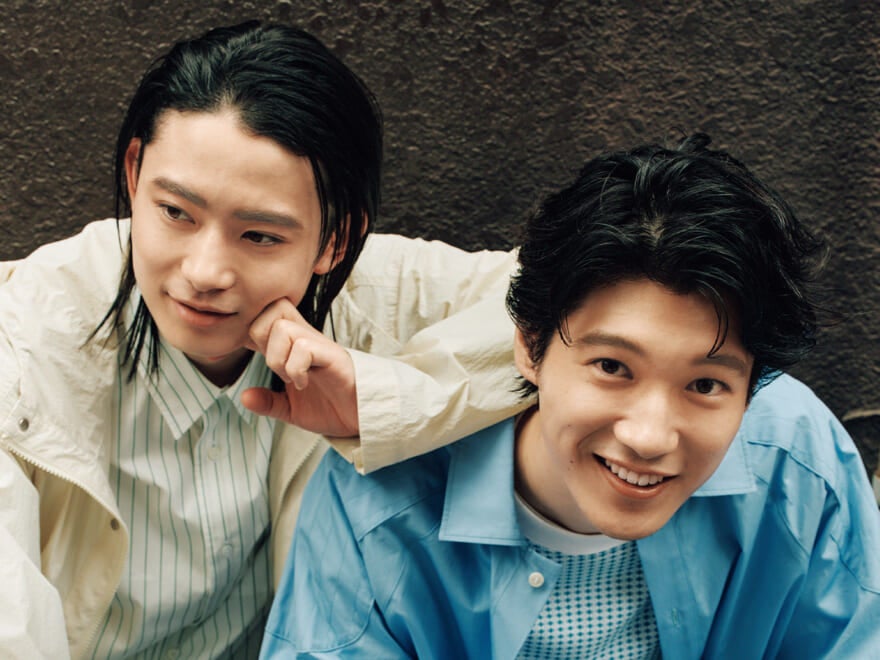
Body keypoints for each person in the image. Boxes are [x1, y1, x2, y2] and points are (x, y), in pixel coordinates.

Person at [0, 21, 526, 659]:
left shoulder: (371, 296)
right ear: (135, 175)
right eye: (176, 212)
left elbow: (571, 298)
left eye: (259, 236)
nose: (205, 272)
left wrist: (379, 399)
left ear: (334, 241)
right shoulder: (23, 337)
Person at [263, 134, 880, 658]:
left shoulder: (798, 461)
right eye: (612, 366)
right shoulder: (378, 507)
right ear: (529, 345)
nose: (649, 437)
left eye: (705, 384)